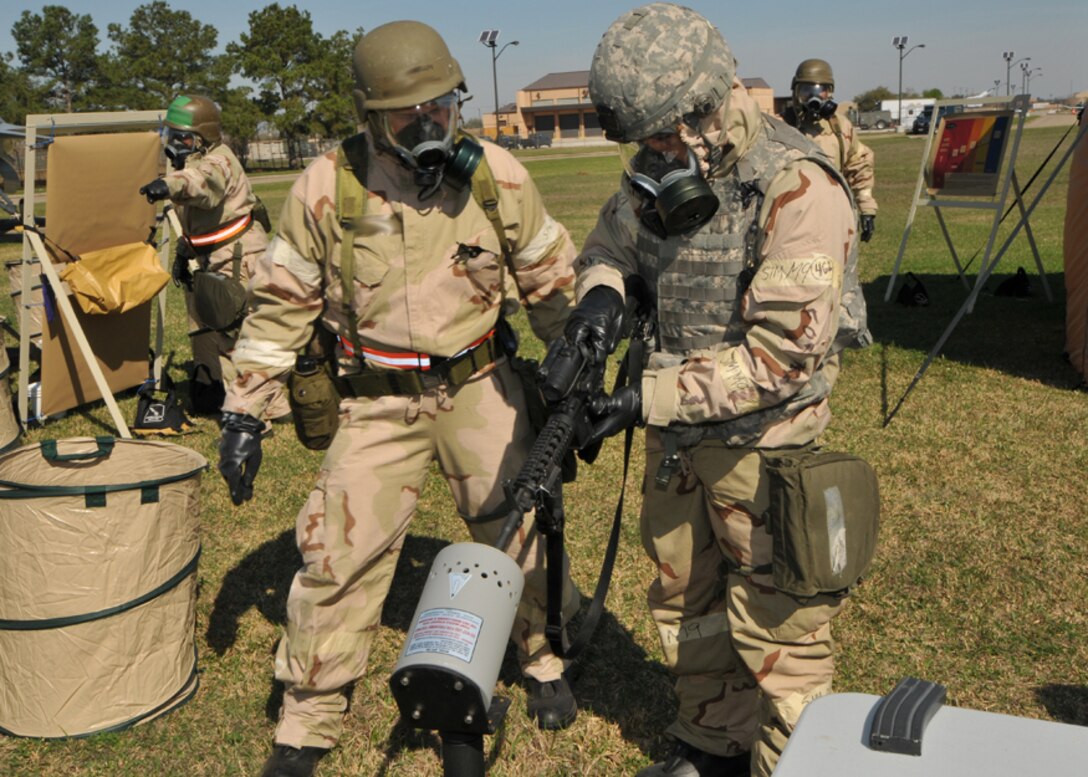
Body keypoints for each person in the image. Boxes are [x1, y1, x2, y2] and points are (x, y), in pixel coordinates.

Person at [215, 21, 581, 777]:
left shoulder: (496, 176)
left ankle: (541, 655)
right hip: (379, 398)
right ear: (370, 117)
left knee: (518, 528)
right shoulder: (328, 187)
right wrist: (244, 409)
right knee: (338, 554)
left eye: (440, 107)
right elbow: (279, 306)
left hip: (481, 384)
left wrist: (578, 373)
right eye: (407, 114)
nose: (428, 125)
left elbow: (551, 282)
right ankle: (308, 717)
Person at [554, 5, 871, 776]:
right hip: (680, 445)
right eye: (645, 140)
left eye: (662, 136)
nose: (654, 154)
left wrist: (642, 401)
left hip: (765, 450)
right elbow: (608, 245)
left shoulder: (799, 186)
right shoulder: (665, 166)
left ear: (706, 103)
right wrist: (601, 294)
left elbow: (779, 359)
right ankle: (712, 742)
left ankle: (790, 762)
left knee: (780, 631)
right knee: (688, 606)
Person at [139, 94, 286, 420]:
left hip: (236, 255)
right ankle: (272, 404)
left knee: (236, 338)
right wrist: (186, 251)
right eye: (171, 136)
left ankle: (251, 415)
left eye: (182, 138)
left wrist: (167, 185)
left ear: (202, 138)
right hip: (212, 255)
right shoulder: (191, 161)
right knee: (232, 336)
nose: (174, 144)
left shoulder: (217, 160)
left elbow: (204, 184)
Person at [782, 58, 879, 244]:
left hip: (833, 217)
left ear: (830, 93)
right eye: (806, 91)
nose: (814, 97)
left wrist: (867, 209)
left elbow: (859, 165)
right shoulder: (780, 128)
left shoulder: (841, 128)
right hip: (791, 220)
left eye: (820, 90)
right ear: (795, 92)